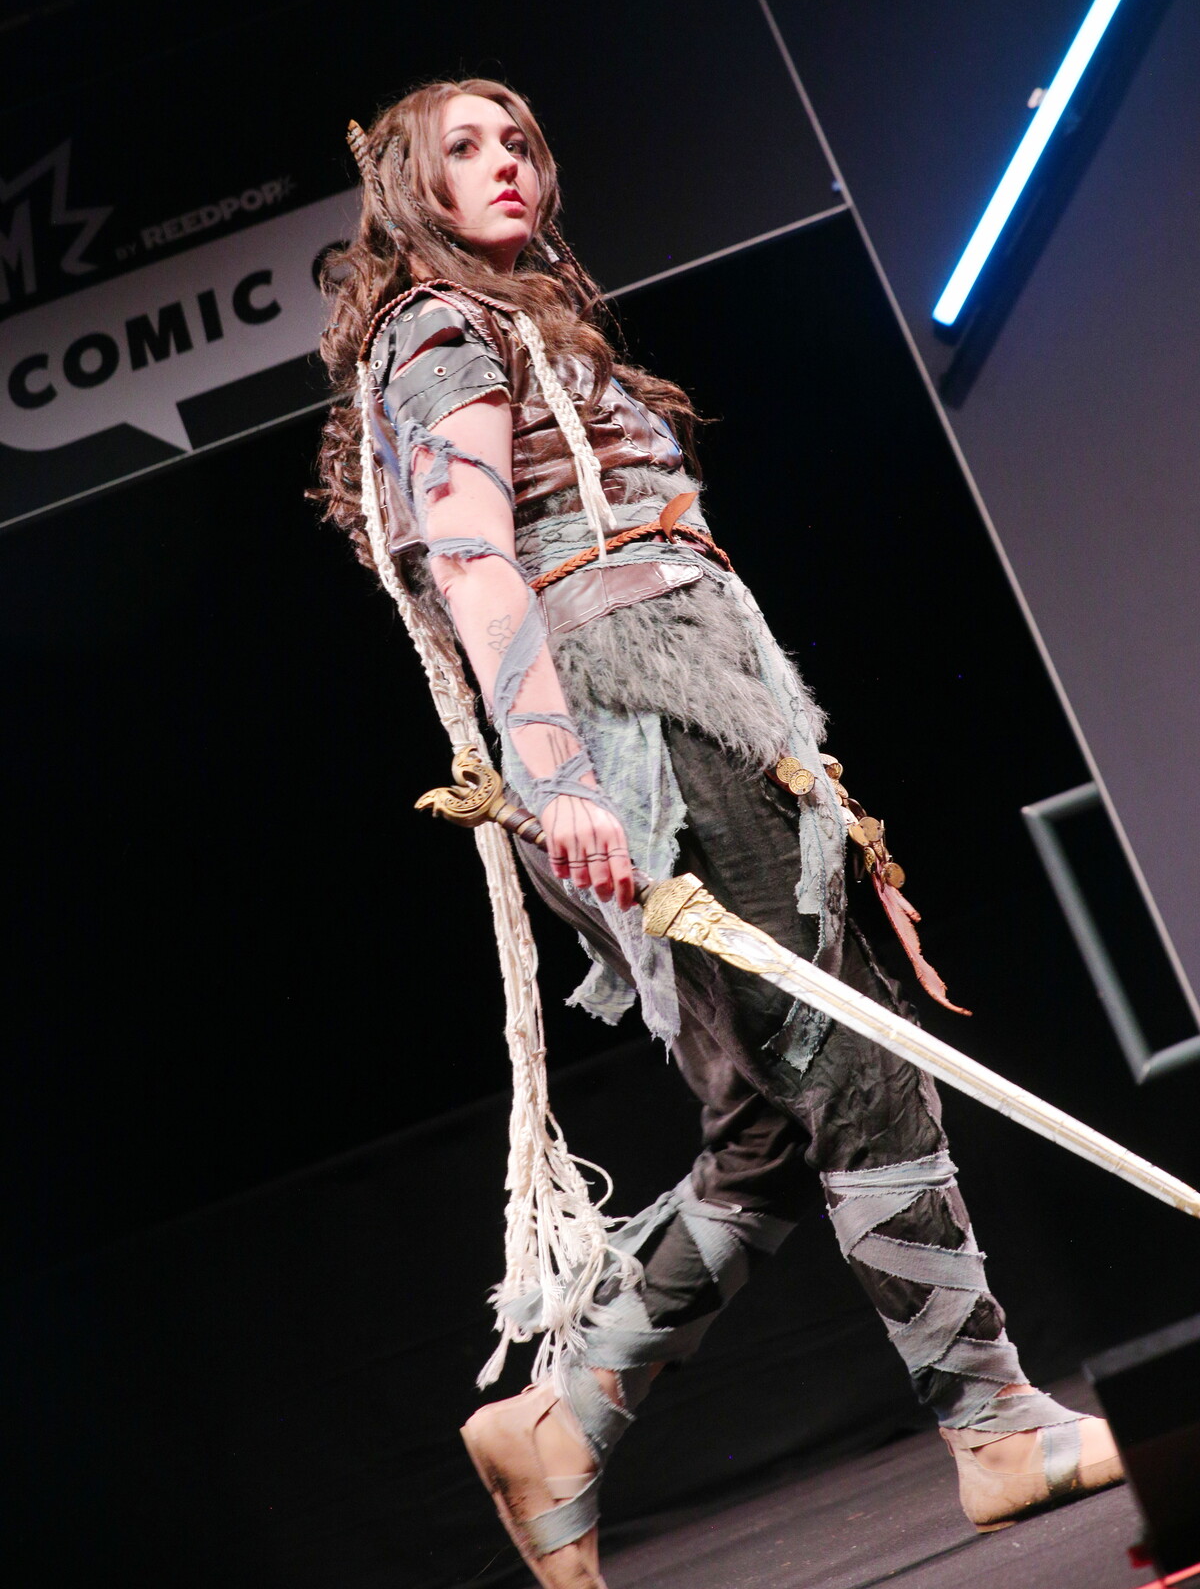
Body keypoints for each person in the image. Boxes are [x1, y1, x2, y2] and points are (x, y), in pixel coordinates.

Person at [316, 79, 1122, 1588]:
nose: (507, 164)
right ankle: (996, 1421)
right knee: (852, 1062)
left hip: (675, 717)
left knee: (765, 1127)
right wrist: (563, 775)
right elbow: (476, 557)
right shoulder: (443, 333)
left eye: (519, 140)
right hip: (641, 738)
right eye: (465, 149)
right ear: (409, 189)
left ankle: (562, 1424)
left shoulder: (512, 326)